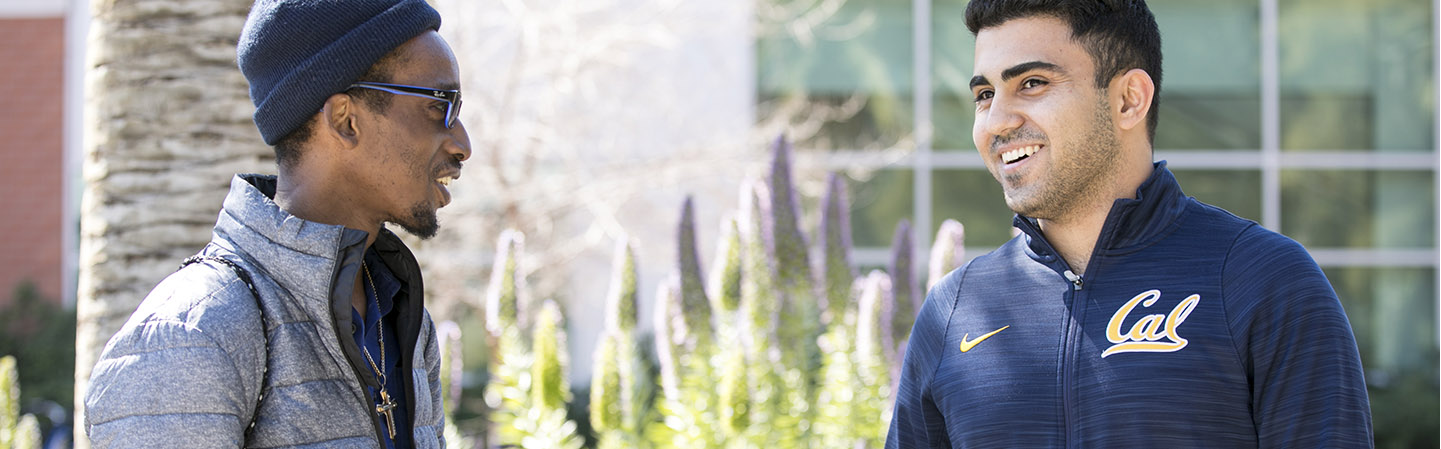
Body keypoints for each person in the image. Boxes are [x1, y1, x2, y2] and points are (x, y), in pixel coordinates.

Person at [886, 0, 1372, 447]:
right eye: (985, 94)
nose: (996, 121)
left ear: (1129, 99)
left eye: (1031, 83)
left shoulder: (1261, 280)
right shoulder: (954, 312)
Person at [83, 0, 471, 447]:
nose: (463, 144)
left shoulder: (403, 317)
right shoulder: (192, 334)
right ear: (346, 121)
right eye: (441, 106)